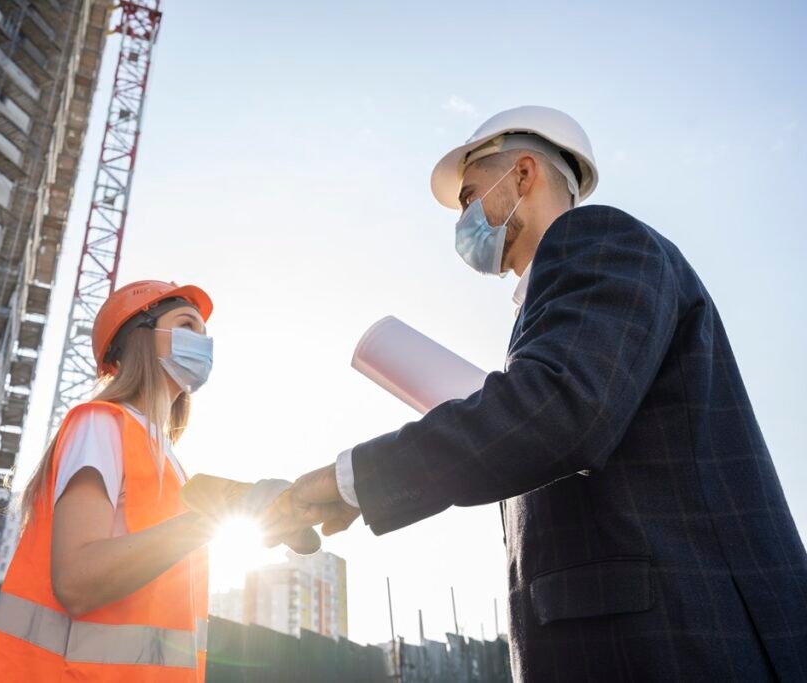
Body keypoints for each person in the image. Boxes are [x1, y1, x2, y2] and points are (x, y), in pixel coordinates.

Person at [266, 106, 807, 681]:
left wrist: (351, 480)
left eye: (471, 196)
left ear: (523, 174)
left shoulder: (596, 237)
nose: (465, 220)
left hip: (680, 641)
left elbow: (560, 409)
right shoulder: (556, 301)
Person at [0, 280, 219, 683]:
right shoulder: (101, 425)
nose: (202, 344)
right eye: (187, 325)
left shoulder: (170, 462)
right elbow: (77, 582)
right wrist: (205, 523)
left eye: (204, 335)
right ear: (141, 337)